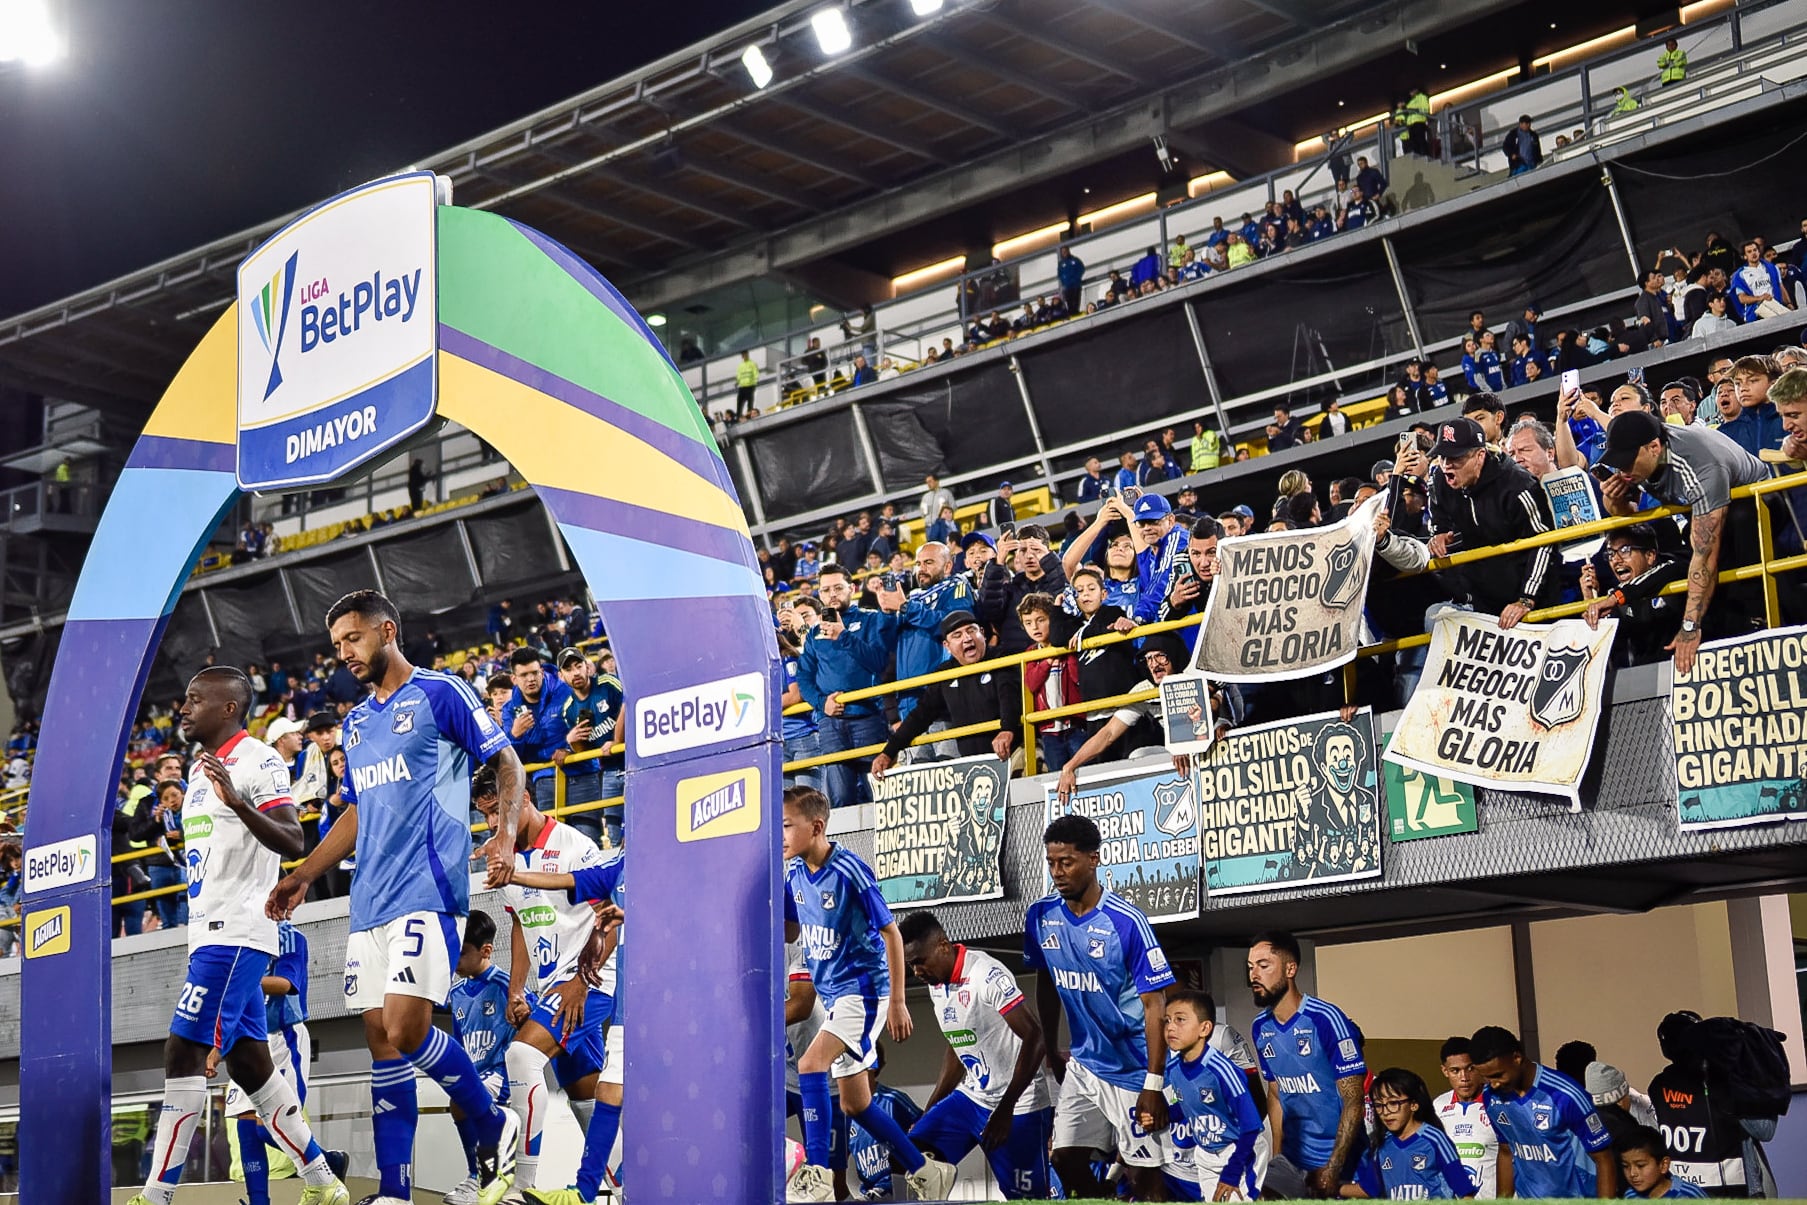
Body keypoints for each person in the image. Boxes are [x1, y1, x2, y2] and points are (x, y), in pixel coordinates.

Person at [267, 590, 524, 1205]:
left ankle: (494, 1124)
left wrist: (505, 834)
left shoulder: (441, 692)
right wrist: (304, 873)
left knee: (409, 1031)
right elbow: (356, 812)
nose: (344, 654)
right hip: (369, 902)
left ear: (387, 630)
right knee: (382, 1040)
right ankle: (393, 1190)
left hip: (427, 889)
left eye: (352, 639)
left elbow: (507, 762)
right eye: (336, 647)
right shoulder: (354, 725)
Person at [128, 667, 350, 1205]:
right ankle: (323, 1182)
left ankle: (156, 1194)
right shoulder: (202, 773)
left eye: (194, 699)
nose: (183, 708)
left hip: (238, 930)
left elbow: (295, 839)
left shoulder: (258, 759)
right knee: (250, 1064)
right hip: (207, 931)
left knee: (182, 1051)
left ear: (228, 707)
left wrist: (240, 803)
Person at [781, 787, 956, 1202]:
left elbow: (891, 932)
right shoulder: (792, 872)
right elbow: (790, 928)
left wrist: (897, 1001)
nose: (781, 835)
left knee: (810, 1062)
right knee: (855, 1104)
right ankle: (926, 1171)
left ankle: (819, 1174)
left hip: (865, 991)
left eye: (787, 826)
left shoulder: (850, 871)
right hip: (835, 994)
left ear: (817, 826)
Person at [1026, 812, 1176, 1200]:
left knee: (1147, 1180)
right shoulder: (1041, 917)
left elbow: (1156, 1005)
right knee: (1064, 1159)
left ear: (1093, 859)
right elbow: (1046, 979)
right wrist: (1049, 1043)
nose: (1057, 872)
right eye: (1051, 863)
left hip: (1132, 1071)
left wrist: (1153, 1085)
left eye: (1066, 862)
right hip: (1084, 1065)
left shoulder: (1127, 922)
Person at [483, 832, 630, 1205]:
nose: (492, 823)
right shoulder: (620, 864)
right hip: (570, 986)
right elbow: (531, 914)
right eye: (484, 815)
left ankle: (519, 1186)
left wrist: (582, 980)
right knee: (595, 1096)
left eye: (496, 811)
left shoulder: (575, 844)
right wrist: (518, 988)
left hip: (594, 983)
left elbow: (605, 921)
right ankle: (626, 1190)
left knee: (522, 1056)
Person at [1595, 411, 1770, 672]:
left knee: (1735, 527)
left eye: (1628, 462)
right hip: (1700, 507)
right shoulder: (1640, 455)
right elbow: (1627, 514)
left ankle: (1758, 616)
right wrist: (1614, 499)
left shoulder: (1700, 467)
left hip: (1757, 505)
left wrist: (1690, 627)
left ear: (1654, 448)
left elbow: (1705, 555)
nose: (1623, 470)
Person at [898, 910, 1054, 1200]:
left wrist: (1005, 1109)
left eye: (920, 961)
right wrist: (930, 1108)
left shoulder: (986, 974)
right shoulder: (936, 983)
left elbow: (1036, 1038)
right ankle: (938, 1182)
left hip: (1019, 1106)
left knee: (1028, 1200)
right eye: (911, 965)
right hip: (972, 1099)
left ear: (943, 946)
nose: (916, 971)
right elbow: (959, 1046)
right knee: (907, 1150)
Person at [1248, 931, 1367, 1198]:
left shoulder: (1325, 1018)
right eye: (1250, 967)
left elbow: (1354, 1100)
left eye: (1264, 966)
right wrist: (1277, 1157)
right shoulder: (1259, 1027)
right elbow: (1276, 1093)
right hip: (1293, 1159)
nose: (1254, 975)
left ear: (1291, 969)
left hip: (1341, 1162)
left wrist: (1333, 1168)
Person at [1468, 1024, 1618, 1198]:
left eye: (1498, 1075)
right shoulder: (1491, 1097)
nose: (1493, 1084)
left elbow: (1604, 1159)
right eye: (1486, 1078)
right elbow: (1506, 1150)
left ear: (1517, 1057)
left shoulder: (1565, 1095)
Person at [869, 610, 1023, 774]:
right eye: (957, 635)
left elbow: (1010, 696)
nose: (967, 638)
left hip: (1012, 754)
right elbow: (921, 715)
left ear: (982, 633)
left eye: (971, 630)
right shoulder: (945, 673)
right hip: (975, 766)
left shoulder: (1003, 658)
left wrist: (1007, 729)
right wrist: (888, 752)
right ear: (947, 646)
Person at [1155, 989, 1268, 1201]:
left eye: (1180, 1020)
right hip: (1205, 1154)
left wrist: (1233, 1172)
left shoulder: (1222, 1071)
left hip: (1239, 1152)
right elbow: (1187, 1106)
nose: (1170, 1027)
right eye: (1167, 1020)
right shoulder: (1175, 1070)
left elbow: (1251, 1125)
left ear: (1204, 1028)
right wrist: (1161, 1114)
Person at [445, 910, 516, 1205]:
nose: (455, 961)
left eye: (461, 953)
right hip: (475, 1072)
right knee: (458, 1101)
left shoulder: (506, 986)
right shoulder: (457, 993)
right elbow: (460, 1043)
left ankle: (478, 1178)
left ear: (485, 950)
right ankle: (482, 1178)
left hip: (502, 1074)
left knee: (460, 1103)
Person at [1350, 1067, 1476, 1199]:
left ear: (1414, 1104)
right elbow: (1369, 1189)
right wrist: (1331, 1186)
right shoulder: (1381, 1146)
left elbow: (1464, 1191)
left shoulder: (1435, 1139)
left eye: (1393, 1103)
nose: (1386, 1112)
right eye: (1379, 1105)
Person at [1435, 1036, 1500, 1198]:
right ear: (1444, 1071)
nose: (1464, 1078)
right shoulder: (1437, 1106)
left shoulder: (1499, 1102)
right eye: (1455, 1071)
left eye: (1470, 1068)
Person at [1620, 1125, 1709, 1199]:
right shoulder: (1630, 1195)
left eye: (1640, 1166)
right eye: (1626, 1166)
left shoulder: (1689, 1196)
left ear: (1663, 1165)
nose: (1632, 1173)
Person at [735, 349, 759, 417]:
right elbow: (739, 375)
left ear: (747, 354)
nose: (744, 356)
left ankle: (749, 415)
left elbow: (755, 373)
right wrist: (737, 382)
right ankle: (738, 416)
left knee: (750, 402)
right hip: (742, 386)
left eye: (745, 354)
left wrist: (755, 381)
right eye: (743, 355)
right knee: (739, 402)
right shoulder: (740, 365)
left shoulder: (752, 363)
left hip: (750, 385)